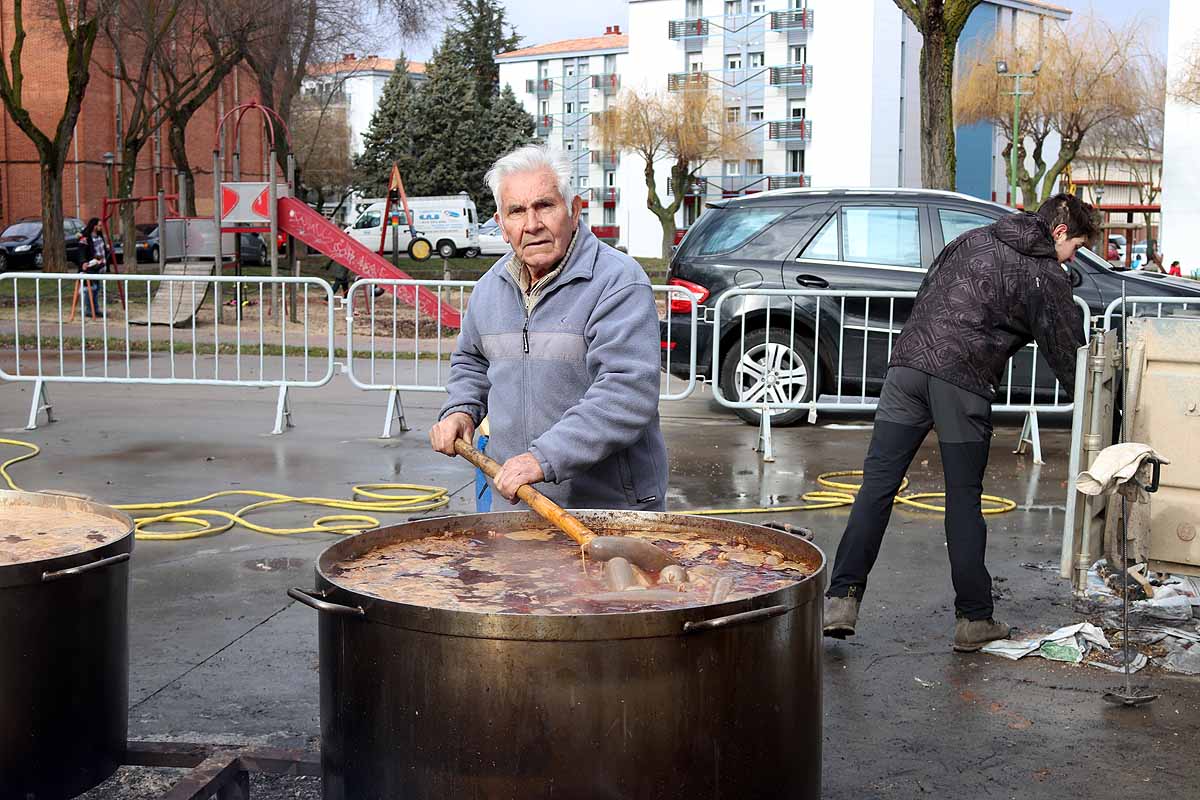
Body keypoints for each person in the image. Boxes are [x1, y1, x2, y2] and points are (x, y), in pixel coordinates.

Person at [823, 193, 1096, 652]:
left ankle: (840, 599)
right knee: (963, 499)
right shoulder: (1044, 273)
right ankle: (974, 619)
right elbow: (1068, 352)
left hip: (907, 366)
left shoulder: (974, 237)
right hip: (963, 381)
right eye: (1077, 247)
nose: (1074, 258)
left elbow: (929, 290)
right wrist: (1101, 415)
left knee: (877, 486)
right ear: (1060, 232)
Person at [428, 145, 667, 509]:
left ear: (573, 211)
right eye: (517, 211)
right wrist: (462, 409)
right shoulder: (490, 289)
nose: (532, 224)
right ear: (501, 225)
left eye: (544, 206)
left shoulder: (617, 282)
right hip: (516, 506)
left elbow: (626, 391)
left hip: (608, 511)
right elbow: (472, 362)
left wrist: (544, 457)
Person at [78, 217, 108, 318]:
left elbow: (103, 249)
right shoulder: (85, 237)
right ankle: (89, 309)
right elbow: (81, 250)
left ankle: (96, 308)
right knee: (90, 288)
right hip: (90, 266)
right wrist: (83, 262)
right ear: (94, 226)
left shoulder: (100, 237)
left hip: (99, 267)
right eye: (99, 225)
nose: (100, 227)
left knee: (97, 288)